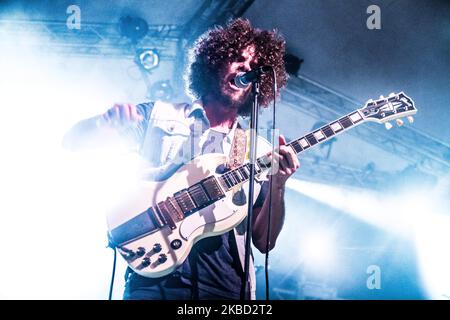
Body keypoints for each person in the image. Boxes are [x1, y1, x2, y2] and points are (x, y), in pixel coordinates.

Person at [63, 18, 300, 300]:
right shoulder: (159, 115)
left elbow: (265, 242)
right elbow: (73, 142)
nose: (245, 69)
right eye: (237, 59)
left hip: (225, 287)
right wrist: (103, 125)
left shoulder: (256, 151)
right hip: (154, 277)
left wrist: (278, 186)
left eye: (252, 67)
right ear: (213, 62)